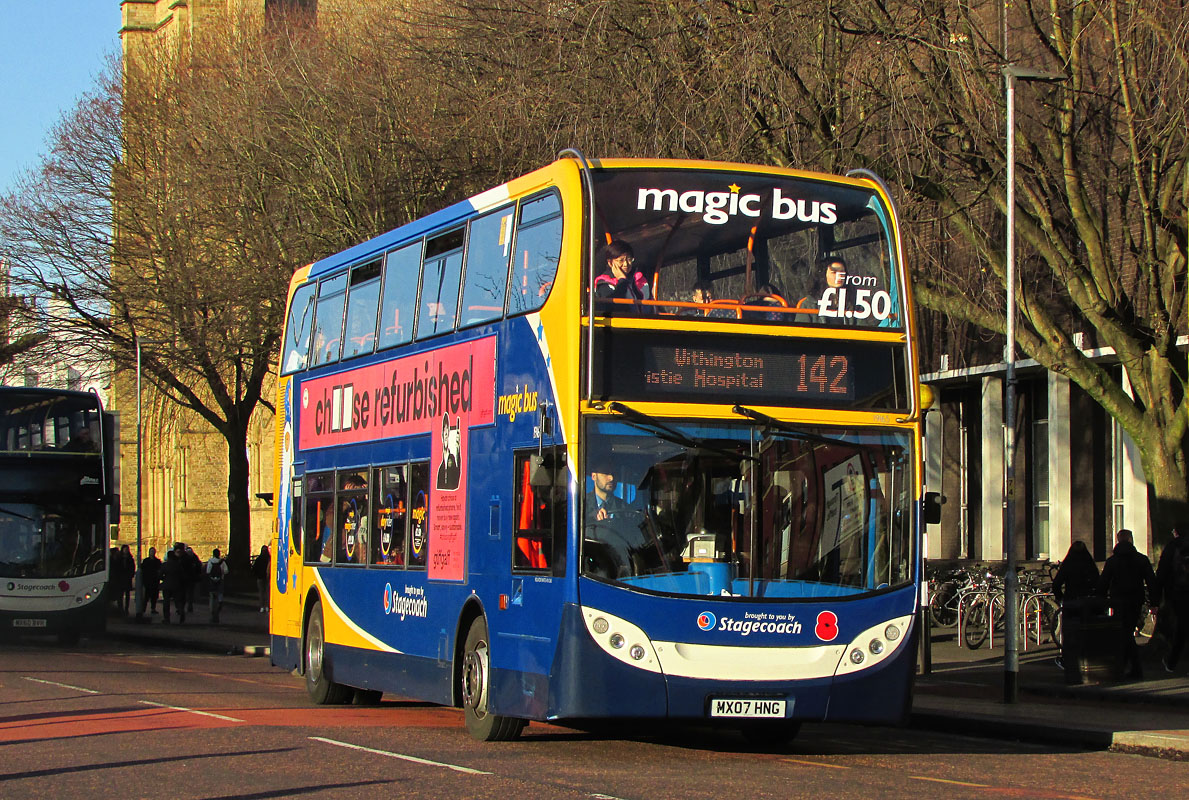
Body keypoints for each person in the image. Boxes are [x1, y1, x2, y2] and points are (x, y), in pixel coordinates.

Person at [1097, 529, 1157, 680]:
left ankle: (1126, 667)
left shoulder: (1112, 561)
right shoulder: (1141, 559)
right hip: (1135, 600)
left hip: (1118, 601)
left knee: (1124, 633)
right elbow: (1151, 582)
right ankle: (1131, 668)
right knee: (1127, 632)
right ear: (1131, 540)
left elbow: (1104, 582)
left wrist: (1101, 601)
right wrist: (1154, 602)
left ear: (1118, 540)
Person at [1051, 540, 1100, 671]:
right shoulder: (1089, 564)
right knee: (1087, 632)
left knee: (1070, 633)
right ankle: (1088, 659)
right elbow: (1098, 582)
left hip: (1071, 602)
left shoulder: (1068, 564)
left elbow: (1056, 584)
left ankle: (1069, 661)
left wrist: (1061, 598)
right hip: (1088, 603)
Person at [1154, 525, 1189, 673]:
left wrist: (1157, 598)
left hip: (1178, 593)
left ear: (1175, 532)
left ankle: (1172, 662)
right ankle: (1172, 661)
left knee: (1181, 627)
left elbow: (1162, 573)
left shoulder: (1172, 547)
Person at [160, 547, 185, 624]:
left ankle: (167, 618)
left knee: (166, 602)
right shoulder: (178, 565)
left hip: (167, 585)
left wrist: (164, 579)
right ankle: (181, 612)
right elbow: (182, 575)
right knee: (178, 601)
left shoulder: (165, 565)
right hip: (176, 585)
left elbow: (160, 575)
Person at [205, 548, 228, 624]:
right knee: (220, 593)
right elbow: (226, 571)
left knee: (212, 596)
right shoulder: (222, 562)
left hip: (212, 581)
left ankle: (212, 611)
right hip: (220, 580)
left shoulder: (210, 561)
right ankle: (219, 604)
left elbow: (208, 571)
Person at [139, 546, 162, 615]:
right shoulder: (146, 561)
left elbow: (159, 570)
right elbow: (143, 569)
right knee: (146, 596)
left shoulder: (157, 561)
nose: (152, 553)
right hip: (147, 581)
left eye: (153, 551)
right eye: (151, 552)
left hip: (155, 581)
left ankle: (153, 608)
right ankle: (143, 609)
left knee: (154, 596)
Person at [252, 544, 271, 613]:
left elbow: (254, 569)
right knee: (267, 593)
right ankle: (267, 606)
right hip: (267, 577)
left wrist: (256, 575)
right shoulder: (269, 559)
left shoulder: (259, 559)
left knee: (261, 593)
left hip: (260, 577)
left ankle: (262, 606)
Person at [119, 544, 135, 615]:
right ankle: (120, 608)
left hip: (127, 578)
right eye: (124, 549)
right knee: (120, 594)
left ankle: (126, 608)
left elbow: (132, 568)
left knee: (127, 594)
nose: (125, 551)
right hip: (121, 578)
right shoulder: (119, 558)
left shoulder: (130, 558)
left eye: (127, 549)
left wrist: (130, 575)